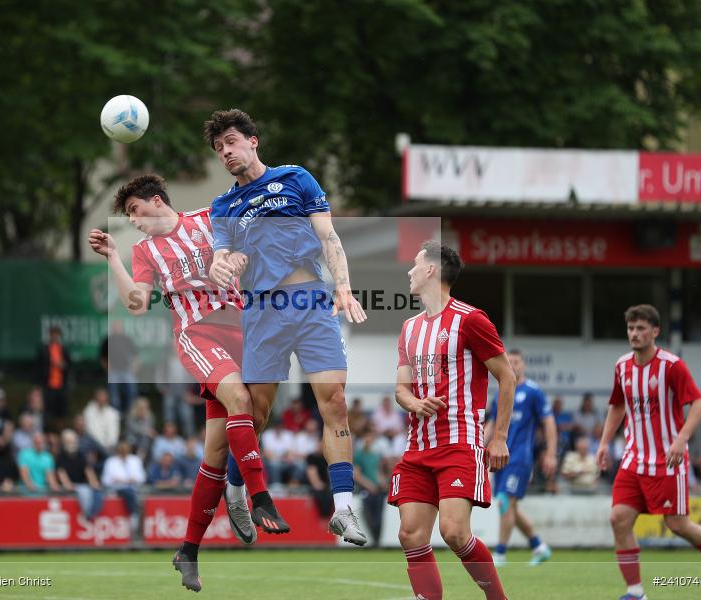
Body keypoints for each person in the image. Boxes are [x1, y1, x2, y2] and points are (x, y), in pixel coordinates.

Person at [89, 173, 288, 592]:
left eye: (134, 211)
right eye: (128, 216)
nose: (134, 221)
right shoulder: (143, 251)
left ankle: (188, 550)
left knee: (218, 451)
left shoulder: (209, 217)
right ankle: (259, 497)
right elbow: (137, 304)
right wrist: (113, 258)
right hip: (198, 334)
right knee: (237, 397)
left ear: (157, 201)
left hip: (245, 329)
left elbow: (250, 252)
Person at [205, 109, 369, 548]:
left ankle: (343, 510)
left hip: (312, 303)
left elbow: (328, 236)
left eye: (232, 142)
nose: (226, 152)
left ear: (253, 140)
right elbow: (219, 260)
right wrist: (226, 266)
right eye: (219, 148)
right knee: (255, 415)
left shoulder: (295, 178)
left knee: (334, 402)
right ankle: (236, 490)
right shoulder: (224, 206)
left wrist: (344, 288)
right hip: (262, 312)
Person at [387, 241, 513, 600]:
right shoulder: (409, 327)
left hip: (459, 442)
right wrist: (415, 402)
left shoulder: (471, 320)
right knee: (410, 534)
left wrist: (499, 436)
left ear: (431, 270)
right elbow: (401, 388)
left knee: (455, 532)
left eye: (414, 264)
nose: (409, 272)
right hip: (417, 448)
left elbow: (507, 377)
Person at [595, 304, 701, 600]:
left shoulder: (671, 365)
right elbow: (617, 405)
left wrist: (681, 439)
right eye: (631, 328)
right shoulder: (622, 366)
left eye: (641, 329)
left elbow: (699, 404)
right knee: (619, 518)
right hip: (633, 460)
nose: (635, 334)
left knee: (677, 524)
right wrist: (604, 443)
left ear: (655, 331)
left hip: (667, 461)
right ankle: (635, 592)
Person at [484, 349, 557, 567]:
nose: (513, 365)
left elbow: (549, 422)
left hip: (520, 457)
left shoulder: (533, 392)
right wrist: (479, 445)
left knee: (505, 501)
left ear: (523, 365)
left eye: (516, 361)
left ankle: (500, 554)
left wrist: (551, 454)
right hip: (499, 457)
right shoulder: (500, 393)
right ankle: (538, 546)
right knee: (509, 506)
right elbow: (491, 422)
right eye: (509, 361)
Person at [101, 441, 145, 539]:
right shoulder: (111, 462)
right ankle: (134, 518)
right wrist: (116, 480)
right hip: (116, 489)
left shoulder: (135, 460)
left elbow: (142, 478)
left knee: (133, 493)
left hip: (134, 488)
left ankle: (136, 521)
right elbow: (105, 480)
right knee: (128, 492)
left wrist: (134, 479)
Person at [57, 429, 104, 521]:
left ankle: (94, 514)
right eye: (69, 441)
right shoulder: (60, 456)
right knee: (84, 492)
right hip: (71, 486)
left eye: (74, 441)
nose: (72, 443)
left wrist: (94, 483)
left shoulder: (80, 455)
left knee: (97, 492)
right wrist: (68, 485)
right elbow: (61, 473)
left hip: (82, 484)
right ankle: (88, 516)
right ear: (64, 442)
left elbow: (88, 470)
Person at [37, 325, 70, 422]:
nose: (55, 336)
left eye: (57, 334)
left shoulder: (64, 349)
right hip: (48, 385)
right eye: (53, 334)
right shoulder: (44, 349)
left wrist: (62, 365)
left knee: (62, 410)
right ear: (49, 335)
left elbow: (69, 365)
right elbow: (39, 367)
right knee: (48, 411)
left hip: (61, 385)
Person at [83, 387, 120, 453]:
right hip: (93, 444)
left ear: (107, 398)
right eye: (99, 397)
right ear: (95, 398)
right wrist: (99, 445)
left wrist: (110, 444)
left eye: (103, 397)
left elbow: (113, 432)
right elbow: (90, 430)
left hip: (108, 446)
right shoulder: (89, 411)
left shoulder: (113, 413)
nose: (101, 399)